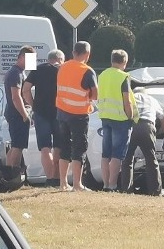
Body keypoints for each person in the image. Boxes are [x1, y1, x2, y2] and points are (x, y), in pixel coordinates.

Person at [56, 41, 98, 192]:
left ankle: (62, 183)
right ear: (87, 54)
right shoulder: (87, 70)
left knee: (64, 147)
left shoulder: (62, 67)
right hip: (79, 114)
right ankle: (77, 184)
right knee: (79, 148)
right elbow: (95, 93)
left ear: (73, 52)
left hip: (62, 112)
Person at [22, 49, 65, 187]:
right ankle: (58, 178)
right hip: (60, 111)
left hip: (41, 113)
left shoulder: (38, 69)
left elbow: (25, 89)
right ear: (60, 59)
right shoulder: (64, 70)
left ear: (49, 59)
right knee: (59, 145)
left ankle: (50, 178)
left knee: (45, 148)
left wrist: (33, 105)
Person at [97, 49, 137, 192]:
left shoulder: (102, 75)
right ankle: (113, 185)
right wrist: (131, 116)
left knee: (105, 153)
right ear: (124, 62)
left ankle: (105, 184)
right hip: (120, 119)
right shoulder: (123, 76)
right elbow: (127, 100)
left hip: (105, 116)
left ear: (112, 60)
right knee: (117, 154)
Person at [120, 87, 164, 195]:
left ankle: (126, 190)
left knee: (127, 159)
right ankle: (155, 190)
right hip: (147, 126)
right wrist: (161, 131)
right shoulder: (152, 100)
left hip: (131, 126)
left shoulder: (130, 97)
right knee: (151, 159)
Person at [5, 45, 35, 168]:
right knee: (18, 146)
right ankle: (14, 173)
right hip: (17, 114)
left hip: (16, 113)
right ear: (22, 57)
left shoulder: (20, 72)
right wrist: (24, 115)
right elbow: (15, 97)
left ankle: (8, 172)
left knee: (15, 145)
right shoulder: (15, 73)